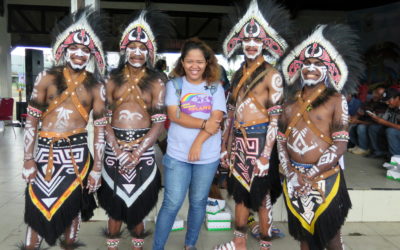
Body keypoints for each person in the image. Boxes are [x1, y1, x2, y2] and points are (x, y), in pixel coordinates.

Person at [21, 9, 107, 249]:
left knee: (71, 211)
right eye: (74, 49)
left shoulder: (96, 85)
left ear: (91, 54)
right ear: (64, 50)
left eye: (85, 50)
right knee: (36, 213)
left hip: (77, 157)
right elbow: (32, 119)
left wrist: (97, 169)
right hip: (43, 155)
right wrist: (28, 158)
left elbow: (100, 129)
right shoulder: (45, 77)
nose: (79, 54)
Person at [279, 24, 364, 249]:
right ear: (299, 67)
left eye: (318, 64)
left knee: (331, 238)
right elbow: (280, 140)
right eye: (306, 63)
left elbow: (340, 144)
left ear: (328, 69)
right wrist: (291, 173)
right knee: (304, 238)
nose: (311, 68)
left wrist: (310, 176)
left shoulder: (337, 100)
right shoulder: (288, 103)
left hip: (325, 179)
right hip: (294, 178)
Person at [216, 0, 291, 249]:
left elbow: (274, 119)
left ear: (265, 44)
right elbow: (231, 113)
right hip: (238, 143)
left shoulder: (273, 75)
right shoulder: (237, 74)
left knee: (261, 196)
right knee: (239, 195)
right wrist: (225, 147)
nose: (250, 45)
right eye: (246, 40)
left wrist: (265, 156)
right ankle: (239, 244)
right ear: (240, 43)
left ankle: (265, 244)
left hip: (260, 144)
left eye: (256, 41)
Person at [96, 9, 171, 250]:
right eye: (132, 46)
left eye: (142, 48)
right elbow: (103, 120)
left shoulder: (157, 81)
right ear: (123, 48)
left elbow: (158, 122)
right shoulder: (110, 79)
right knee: (114, 212)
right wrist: (118, 151)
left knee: (138, 212)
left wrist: (137, 153)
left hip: (144, 152)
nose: (137, 52)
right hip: (114, 152)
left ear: (150, 51)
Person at [153, 38, 226, 250]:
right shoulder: (174, 85)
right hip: (177, 156)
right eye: (190, 61)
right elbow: (175, 115)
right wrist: (204, 123)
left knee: (198, 202)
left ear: (207, 63)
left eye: (200, 62)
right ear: (182, 63)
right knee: (172, 203)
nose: (195, 66)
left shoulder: (215, 88)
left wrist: (197, 143)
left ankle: (190, 245)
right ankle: (157, 247)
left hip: (207, 156)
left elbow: (217, 121)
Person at [349, 87, 386, 156]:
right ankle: (358, 145)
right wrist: (354, 119)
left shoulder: (382, 106)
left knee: (361, 127)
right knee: (351, 123)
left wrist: (358, 121)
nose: (377, 95)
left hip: (373, 124)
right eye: (376, 93)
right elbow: (359, 112)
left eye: (380, 95)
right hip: (363, 122)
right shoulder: (368, 102)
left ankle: (364, 148)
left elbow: (377, 122)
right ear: (373, 92)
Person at [367, 88, 400, 159]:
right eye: (386, 101)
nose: (387, 103)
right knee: (374, 128)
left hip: (395, 131)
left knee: (391, 131)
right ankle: (379, 152)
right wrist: (376, 118)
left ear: (397, 98)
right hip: (394, 129)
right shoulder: (391, 107)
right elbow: (385, 119)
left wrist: (383, 122)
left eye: (389, 100)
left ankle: (395, 159)